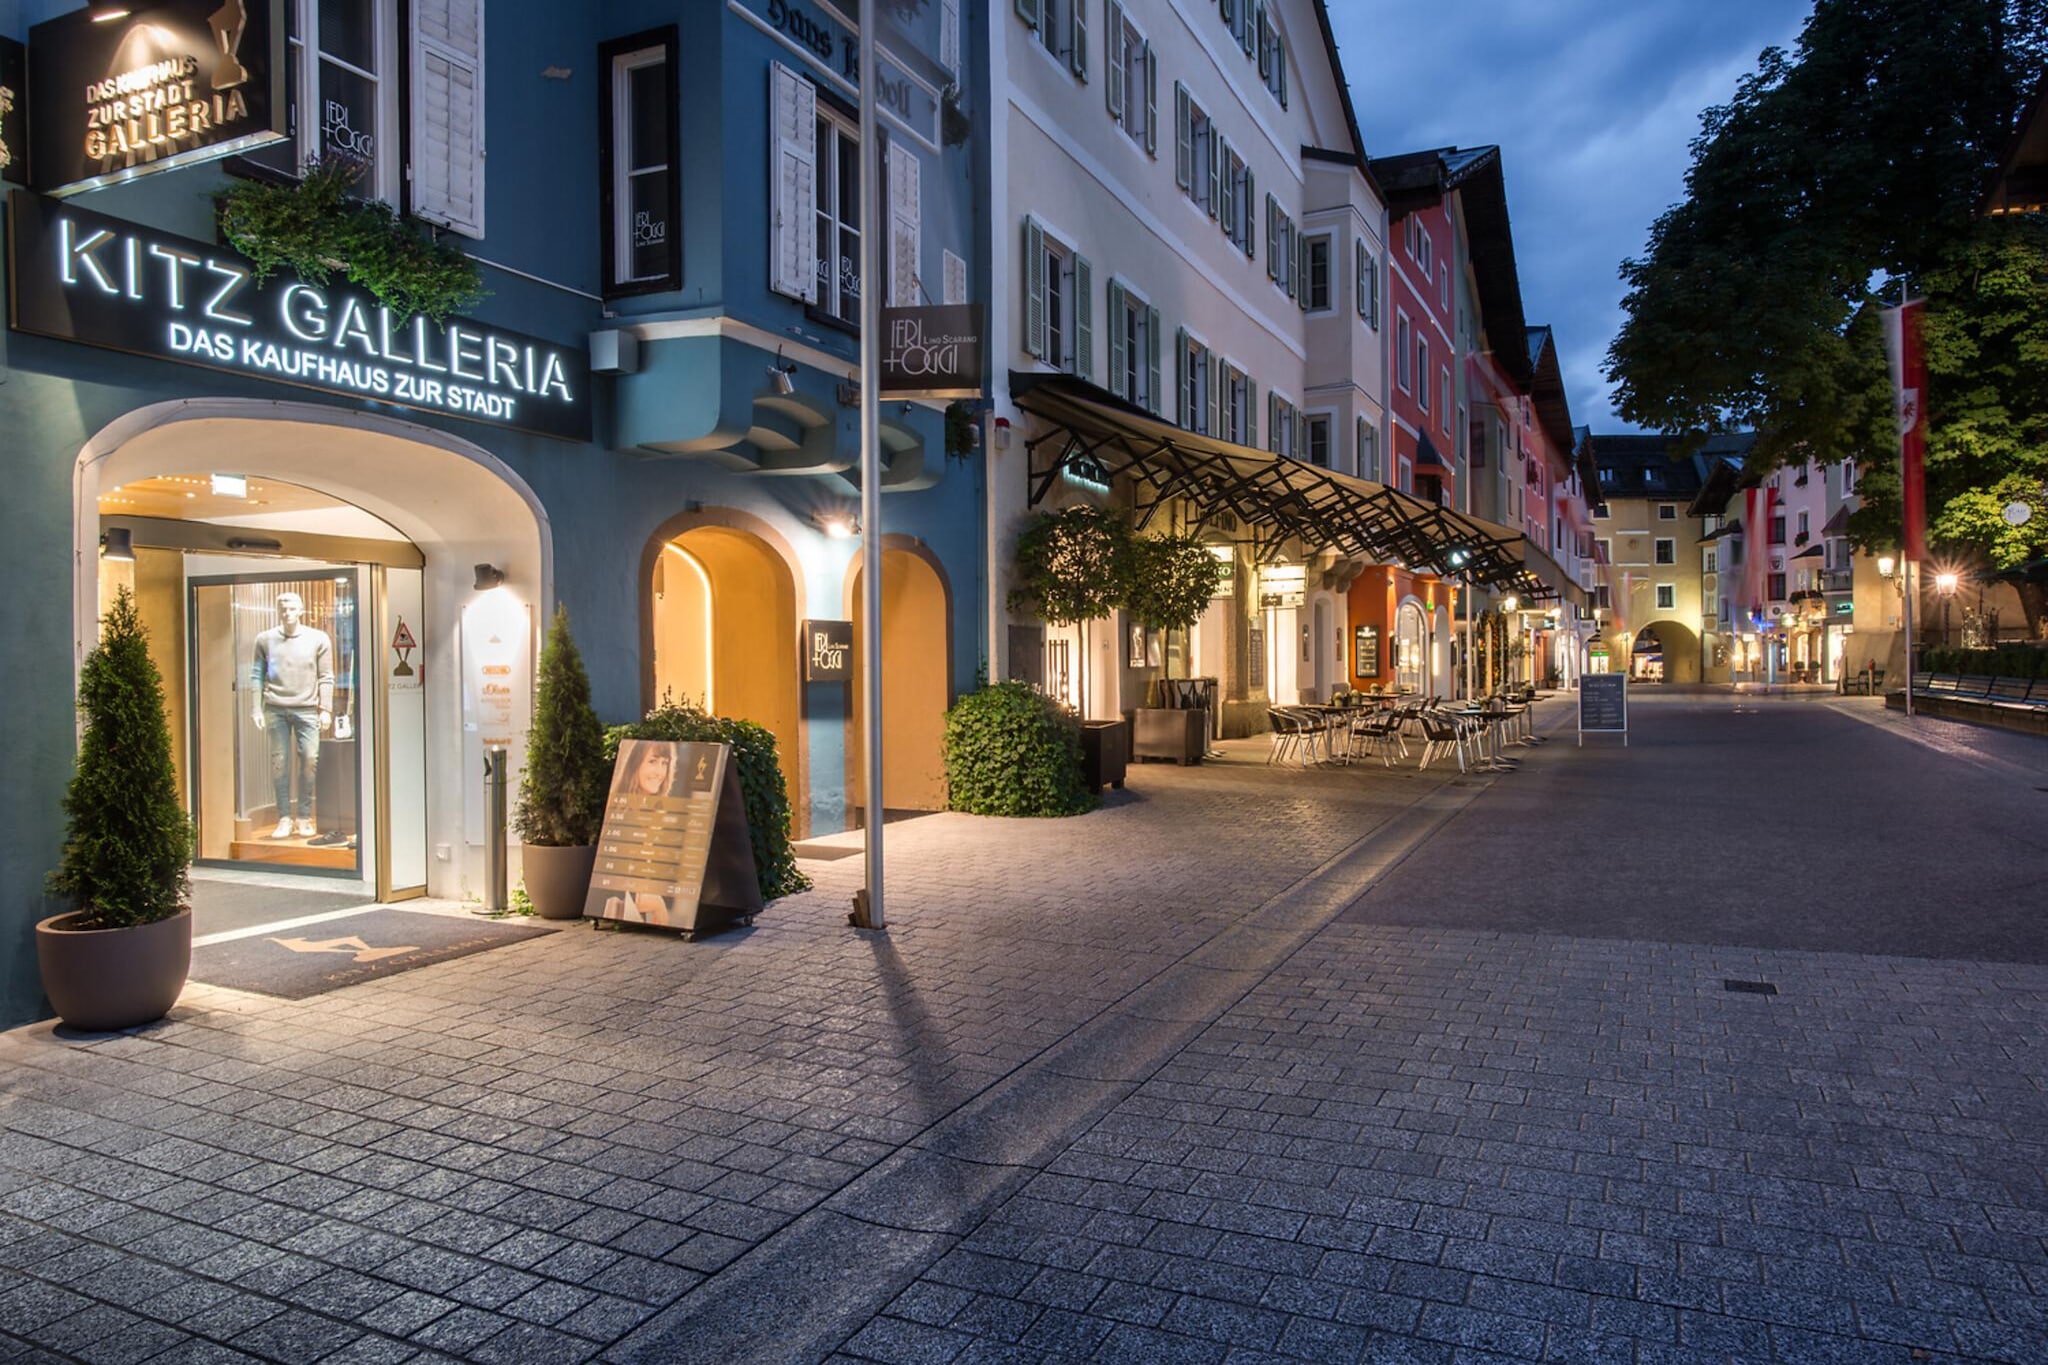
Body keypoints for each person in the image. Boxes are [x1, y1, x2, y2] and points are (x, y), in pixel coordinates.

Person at [251, 591, 334, 839]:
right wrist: (256, 707)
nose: (287, 613)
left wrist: (326, 709)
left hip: (307, 708)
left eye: (291, 608)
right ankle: (284, 817)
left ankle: (305, 816)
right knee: (279, 764)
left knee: (309, 760)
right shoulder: (265, 639)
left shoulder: (318, 638)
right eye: (283, 608)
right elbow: (256, 675)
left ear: (301, 610)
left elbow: (326, 676)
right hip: (275, 707)